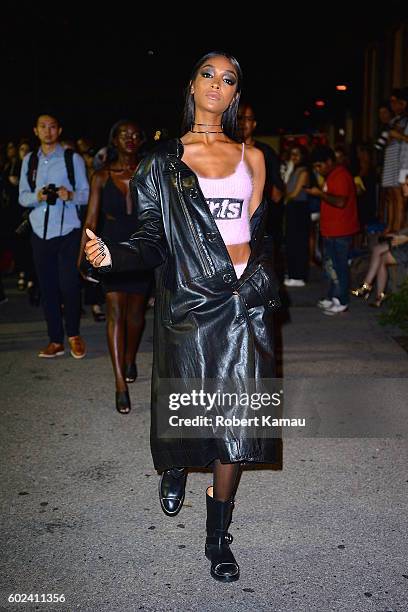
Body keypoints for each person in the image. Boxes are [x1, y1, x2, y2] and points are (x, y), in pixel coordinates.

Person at [85, 51, 281, 583]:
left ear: (235, 94)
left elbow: (257, 234)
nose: (217, 84)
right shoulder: (160, 161)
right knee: (188, 407)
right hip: (190, 304)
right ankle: (174, 462)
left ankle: (218, 538)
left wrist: (262, 283)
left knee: (236, 423)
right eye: (208, 74)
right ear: (191, 85)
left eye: (229, 79)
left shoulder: (255, 157)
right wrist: (114, 258)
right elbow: (151, 238)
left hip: (241, 305)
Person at [78, 120, 152, 414]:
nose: (130, 139)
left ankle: (131, 357)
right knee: (115, 313)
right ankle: (120, 384)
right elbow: (91, 220)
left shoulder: (149, 172)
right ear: (115, 140)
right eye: (124, 135)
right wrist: (82, 257)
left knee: (136, 314)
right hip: (109, 249)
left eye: (135, 134)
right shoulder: (101, 175)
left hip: (141, 250)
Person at [19, 113, 89, 358]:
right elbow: (22, 197)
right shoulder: (30, 160)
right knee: (47, 287)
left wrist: (69, 195)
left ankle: (73, 334)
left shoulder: (73, 159)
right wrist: (37, 196)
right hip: (39, 230)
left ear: (59, 130)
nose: (47, 131)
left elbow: (86, 194)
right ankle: (55, 340)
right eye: (42, 127)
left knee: (69, 285)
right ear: (36, 131)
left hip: (67, 228)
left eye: (52, 127)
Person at [306, 146, 359, 315]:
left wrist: (319, 194)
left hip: (341, 231)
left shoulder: (341, 175)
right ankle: (332, 296)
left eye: (319, 165)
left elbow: (340, 202)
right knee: (330, 267)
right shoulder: (332, 176)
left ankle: (342, 300)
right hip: (331, 231)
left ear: (329, 162)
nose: (318, 170)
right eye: (315, 167)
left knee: (340, 266)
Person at [352, 177, 408, 307]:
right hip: (403, 241)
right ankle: (379, 296)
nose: (403, 186)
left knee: (378, 250)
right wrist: (397, 234)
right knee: (381, 257)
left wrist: (401, 237)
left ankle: (366, 286)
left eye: (406, 184)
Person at [283, 145, 311, 287]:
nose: (294, 157)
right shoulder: (294, 170)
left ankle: (299, 275)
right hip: (293, 207)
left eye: (297, 154)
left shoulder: (304, 172)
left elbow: (293, 193)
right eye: (292, 154)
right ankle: (293, 273)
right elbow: (286, 186)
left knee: (298, 242)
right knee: (291, 241)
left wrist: (285, 198)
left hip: (299, 208)